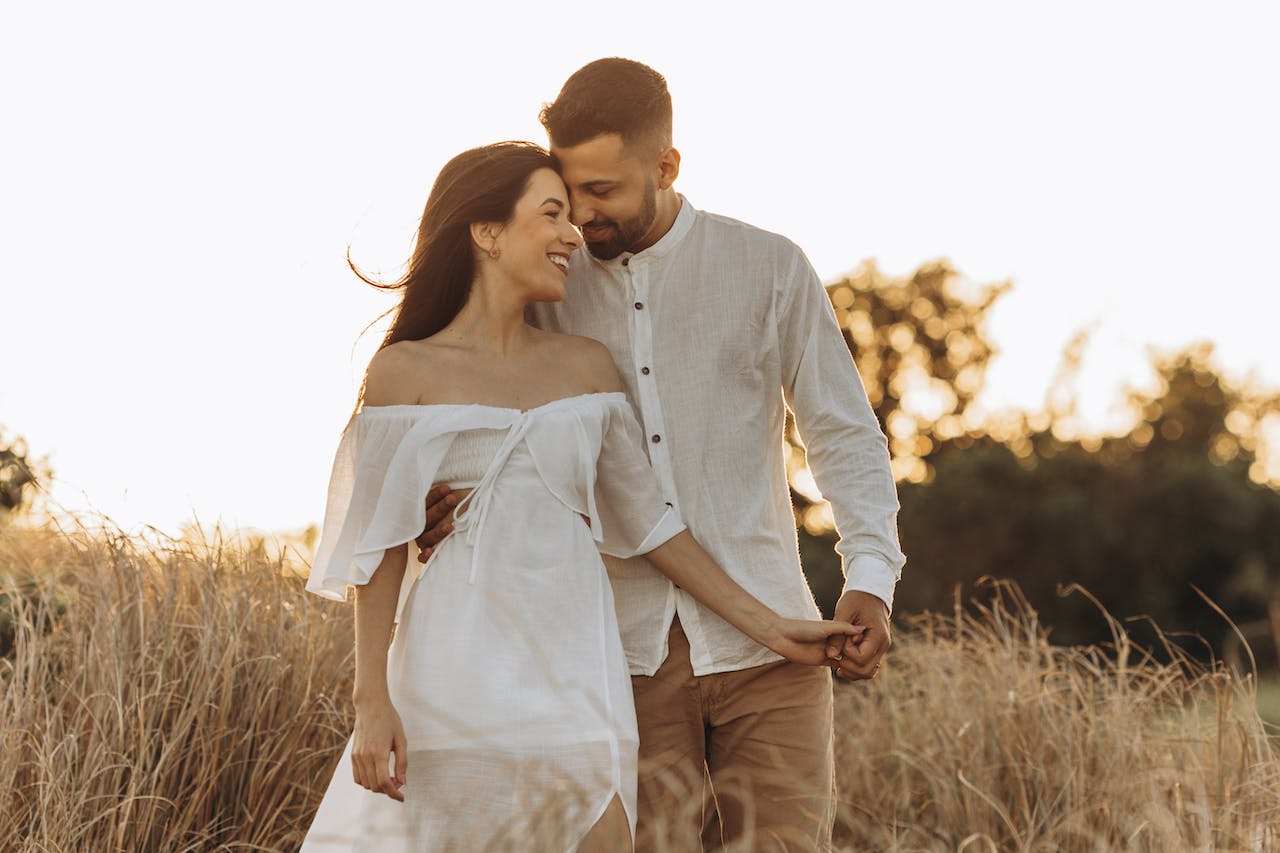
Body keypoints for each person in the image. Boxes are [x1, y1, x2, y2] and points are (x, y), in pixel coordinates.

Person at [300, 141, 859, 853]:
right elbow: (377, 549)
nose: (573, 234)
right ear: (487, 230)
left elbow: (652, 524)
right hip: (451, 664)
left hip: (578, 664)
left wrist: (776, 626)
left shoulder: (586, 368)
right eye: (553, 213)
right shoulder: (404, 371)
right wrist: (372, 701)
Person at [412, 59, 908, 851]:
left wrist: (871, 578)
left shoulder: (769, 267)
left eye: (603, 190)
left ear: (667, 166)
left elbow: (843, 431)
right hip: (616, 658)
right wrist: (444, 495)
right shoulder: (546, 288)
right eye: (568, 190)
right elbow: (487, 415)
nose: (580, 214)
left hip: (771, 647)